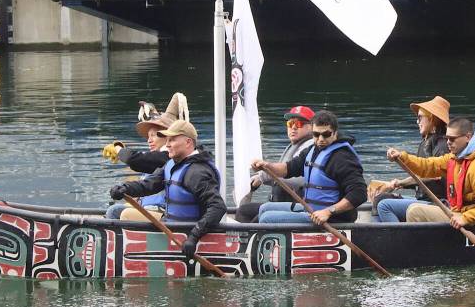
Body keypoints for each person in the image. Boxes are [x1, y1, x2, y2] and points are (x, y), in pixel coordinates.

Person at [108, 120, 226, 260]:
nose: (167, 144)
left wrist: (193, 237)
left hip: (186, 233)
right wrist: (124, 188)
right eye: (167, 140)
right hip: (170, 227)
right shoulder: (171, 164)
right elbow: (148, 185)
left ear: (188, 142)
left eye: (172, 140)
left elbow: (218, 207)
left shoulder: (197, 173)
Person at [252, 110, 367, 225]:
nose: (321, 139)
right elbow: (288, 168)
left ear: (335, 133)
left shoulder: (343, 158)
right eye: (316, 134)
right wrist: (266, 166)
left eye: (326, 134)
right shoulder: (313, 150)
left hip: (332, 218)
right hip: (311, 209)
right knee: (265, 208)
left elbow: (359, 193)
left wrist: (328, 211)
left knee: (267, 218)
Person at [384, 117, 475, 228]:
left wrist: (466, 218)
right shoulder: (454, 159)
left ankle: (422, 248)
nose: (448, 142)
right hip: (459, 214)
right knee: (414, 209)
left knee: (415, 211)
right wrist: (402, 157)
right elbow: (427, 166)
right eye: (447, 138)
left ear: (468, 137)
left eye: (452, 139)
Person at [102, 93, 188, 219]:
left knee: (114, 211)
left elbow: (134, 160)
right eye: (148, 137)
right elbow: (145, 181)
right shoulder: (162, 158)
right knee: (117, 208)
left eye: (153, 135)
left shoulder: (168, 158)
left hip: (163, 212)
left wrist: (118, 149)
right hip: (152, 209)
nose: (149, 140)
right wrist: (125, 190)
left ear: (168, 137)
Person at [372, 96, 449, 223]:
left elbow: (434, 176)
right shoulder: (425, 143)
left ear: (432, 119)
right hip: (423, 199)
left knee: (384, 206)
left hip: (437, 203)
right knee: (380, 199)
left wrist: (400, 183)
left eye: (420, 117)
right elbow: (420, 175)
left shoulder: (443, 145)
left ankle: (398, 239)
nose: (417, 122)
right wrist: (396, 183)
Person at [233, 104, 315, 223]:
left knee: (256, 217)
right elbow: (283, 174)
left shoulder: (311, 147)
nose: (293, 128)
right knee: (244, 210)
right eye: (290, 124)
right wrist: (259, 178)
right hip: (280, 204)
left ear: (312, 127)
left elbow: (301, 179)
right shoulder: (294, 146)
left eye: (298, 124)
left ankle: (244, 241)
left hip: (298, 208)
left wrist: (264, 176)